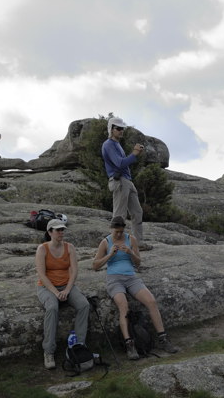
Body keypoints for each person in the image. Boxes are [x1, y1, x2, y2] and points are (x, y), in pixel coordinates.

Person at [92, 215, 178, 360]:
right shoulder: (105, 242)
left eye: (121, 231)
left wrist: (130, 252)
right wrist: (110, 255)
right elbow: (95, 265)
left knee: (151, 301)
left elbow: (138, 263)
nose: (119, 234)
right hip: (114, 279)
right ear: (111, 229)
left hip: (131, 277)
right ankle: (129, 345)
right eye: (116, 232)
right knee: (123, 305)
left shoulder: (131, 239)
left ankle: (163, 339)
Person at [35, 218, 89, 370]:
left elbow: (74, 271)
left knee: (84, 305)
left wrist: (66, 290)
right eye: (58, 230)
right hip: (47, 287)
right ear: (50, 232)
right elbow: (42, 275)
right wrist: (55, 292)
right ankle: (49, 351)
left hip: (67, 285)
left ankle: (79, 345)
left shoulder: (69, 247)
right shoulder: (42, 249)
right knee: (52, 308)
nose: (61, 232)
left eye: (62, 229)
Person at [101, 116, 150, 250]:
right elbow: (120, 163)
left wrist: (133, 155)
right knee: (119, 215)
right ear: (111, 129)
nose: (121, 130)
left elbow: (121, 163)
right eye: (118, 128)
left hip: (126, 181)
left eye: (122, 128)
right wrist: (134, 154)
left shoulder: (117, 144)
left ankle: (138, 243)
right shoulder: (109, 144)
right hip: (120, 181)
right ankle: (114, 245)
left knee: (137, 212)